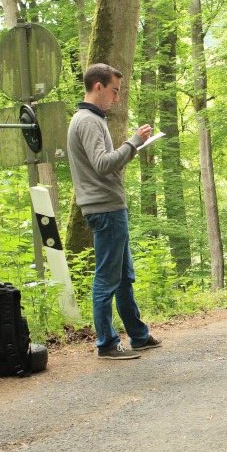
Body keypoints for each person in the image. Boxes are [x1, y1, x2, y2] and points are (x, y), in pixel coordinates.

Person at [67, 63, 161, 360]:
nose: (116, 98)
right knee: (107, 279)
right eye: (114, 91)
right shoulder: (89, 121)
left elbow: (105, 165)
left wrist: (131, 149)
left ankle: (138, 335)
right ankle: (107, 343)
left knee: (123, 276)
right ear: (98, 87)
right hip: (105, 209)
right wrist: (132, 142)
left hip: (109, 206)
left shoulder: (90, 119)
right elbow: (103, 164)